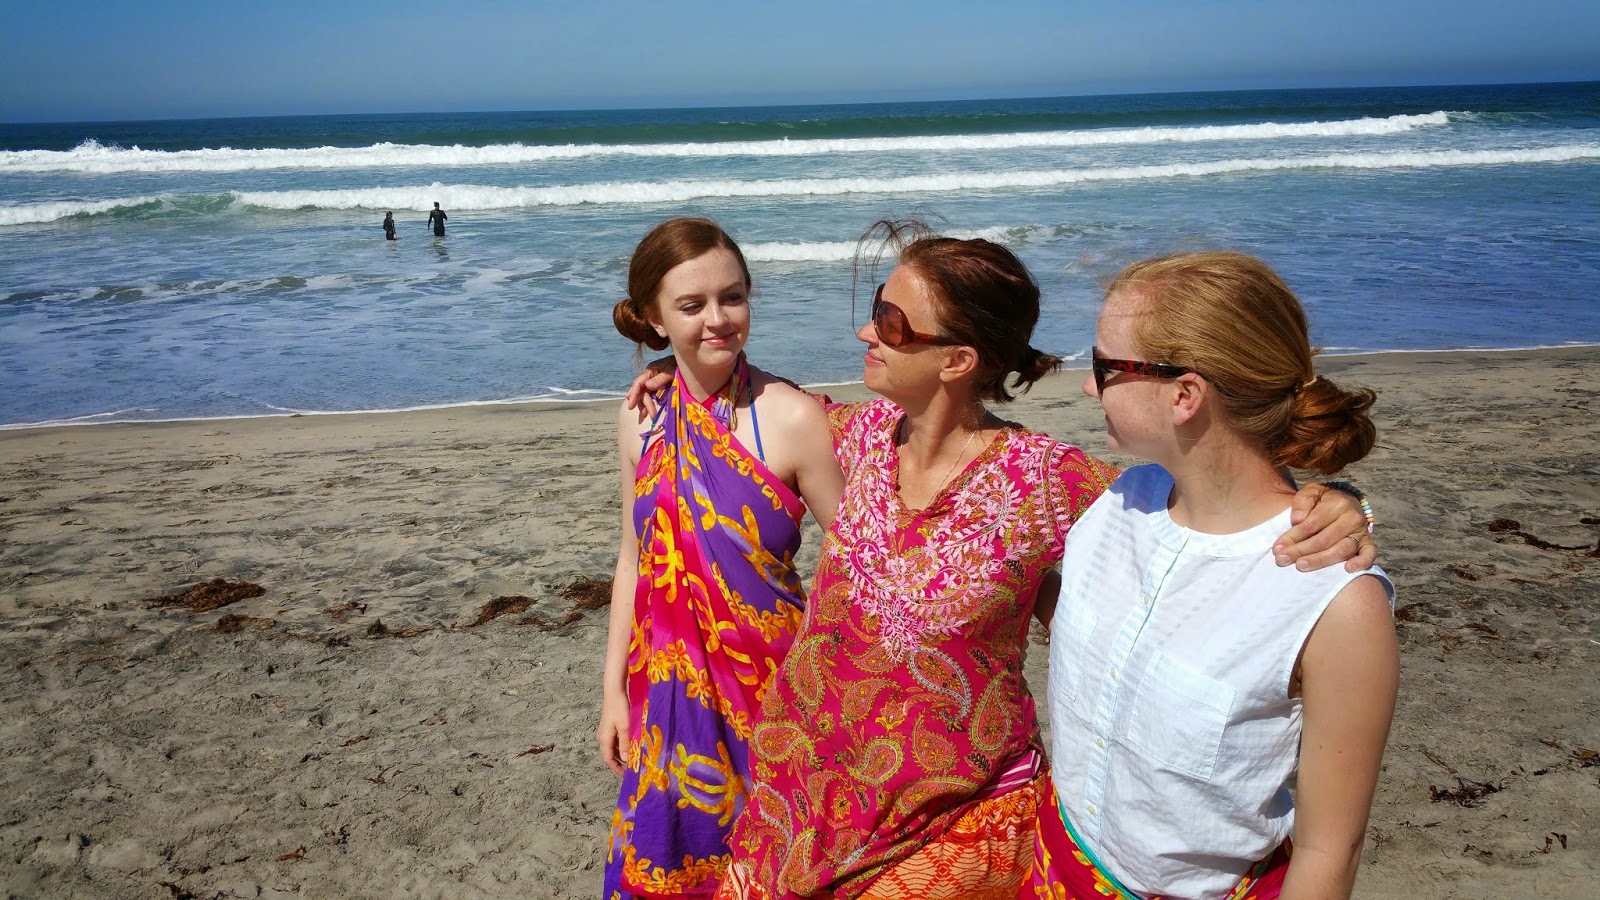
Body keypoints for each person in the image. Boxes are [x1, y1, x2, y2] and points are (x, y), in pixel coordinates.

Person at [710, 225, 1378, 900]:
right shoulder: (852, 437)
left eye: (890, 320)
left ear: (957, 360)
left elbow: (1222, 504)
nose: (866, 331)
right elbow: (743, 404)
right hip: (800, 791)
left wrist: (1336, 502)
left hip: (947, 816)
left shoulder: (1048, 483)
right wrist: (666, 372)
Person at [1030, 251, 1398, 899]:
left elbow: (1328, 851)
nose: (1089, 387)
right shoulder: (1112, 504)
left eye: (1104, 367)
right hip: (1053, 867)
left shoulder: (1333, 600)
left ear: (1185, 396)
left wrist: (1348, 503)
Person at [599, 217, 844, 900]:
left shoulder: (792, 417)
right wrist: (613, 692)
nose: (718, 319)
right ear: (654, 318)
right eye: (691, 305)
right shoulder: (639, 418)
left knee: (776, 870)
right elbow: (632, 561)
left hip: (775, 693)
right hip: (664, 696)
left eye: (732, 297)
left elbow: (856, 562)